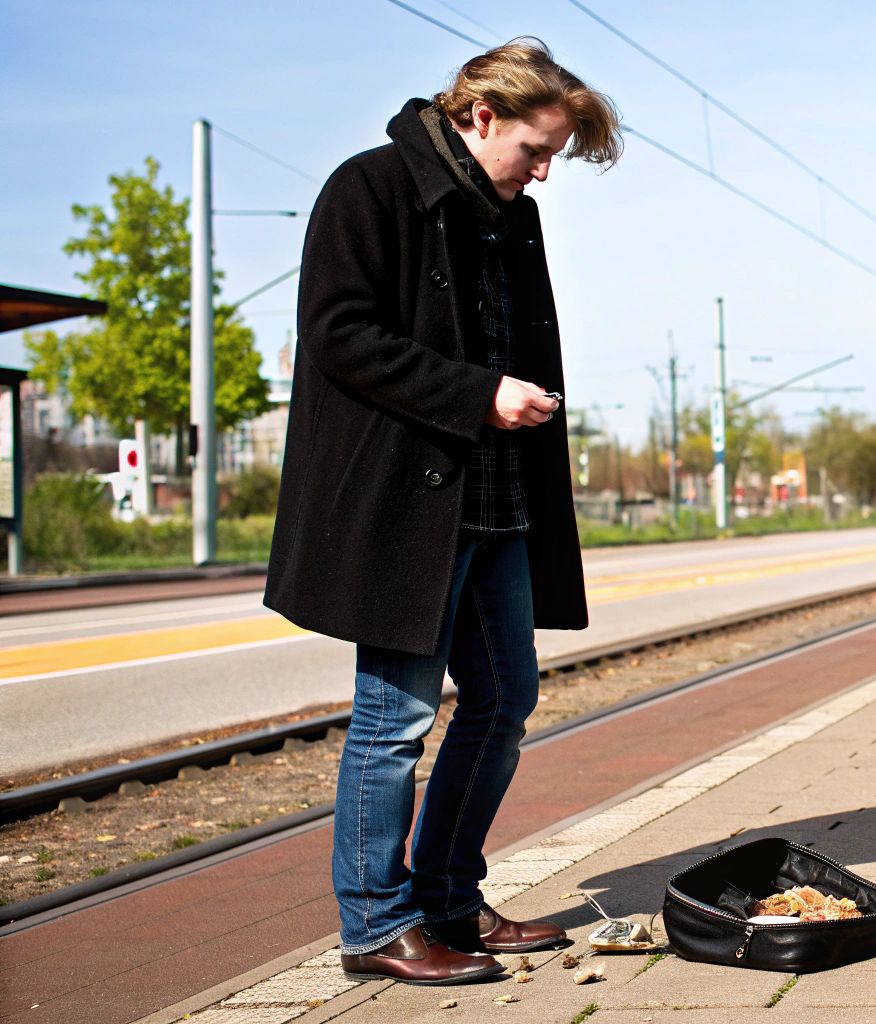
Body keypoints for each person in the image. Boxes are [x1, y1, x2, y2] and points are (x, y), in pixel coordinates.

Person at [265, 39, 620, 985]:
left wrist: (519, 403)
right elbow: (337, 334)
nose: (543, 172)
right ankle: (377, 926)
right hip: (405, 505)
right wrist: (480, 395)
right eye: (536, 150)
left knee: (504, 701)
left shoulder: (513, 217)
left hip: (497, 497)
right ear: (481, 116)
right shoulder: (371, 187)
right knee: (396, 719)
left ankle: (450, 900)